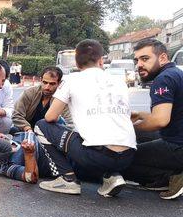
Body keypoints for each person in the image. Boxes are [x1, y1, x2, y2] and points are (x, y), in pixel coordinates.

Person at [35, 39, 136, 197]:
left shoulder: (72, 80)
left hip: (98, 155)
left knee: (41, 126)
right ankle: (111, 176)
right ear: (101, 60)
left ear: (76, 62)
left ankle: (67, 180)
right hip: (128, 156)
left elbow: (50, 117)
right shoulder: (119, 82)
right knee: (95, 138)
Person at [122, 38, 183, 199]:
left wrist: (126, 128)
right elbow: (170, 114)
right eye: (137, 60)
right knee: (139, 138)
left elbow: (159, 121)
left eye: (145, 59)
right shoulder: (177, 74)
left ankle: (170, 177)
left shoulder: (164, 79)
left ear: (162, 58)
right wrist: (141, 115)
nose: (139, 65)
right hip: (177, 138)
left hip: (177, 146)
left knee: (118, 158)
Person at [11, 66, 73, 133]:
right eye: (45, 82)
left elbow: (70, 124)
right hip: (27, 131)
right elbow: (16, 115)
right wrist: (28, 129)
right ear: (41, 80)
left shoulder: (62, 100)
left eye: (52, 84)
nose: (47, 87)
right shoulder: (30, 93)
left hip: (51, 135)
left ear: (59, 83)